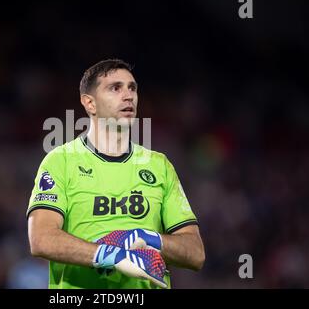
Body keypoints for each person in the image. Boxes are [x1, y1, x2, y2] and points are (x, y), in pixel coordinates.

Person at [27, 59, 205, 289]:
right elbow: (41, 240)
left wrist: (150, 239)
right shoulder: (60, 161)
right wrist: (113, 256)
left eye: (132, 88)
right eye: (115, 88)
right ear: (89, 103)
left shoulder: (159, 166)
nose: (128, 95)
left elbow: (196, 253)